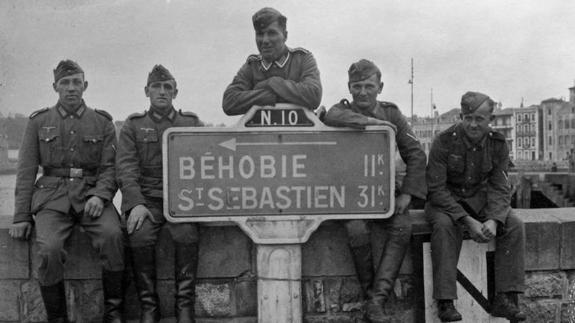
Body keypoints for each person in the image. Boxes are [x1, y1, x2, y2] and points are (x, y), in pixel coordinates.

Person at [9, 60, 125, 323]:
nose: (71, 88)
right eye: (65, 83)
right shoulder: (39, 122)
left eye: (76, 82)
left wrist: (101, 195)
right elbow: (26, 171)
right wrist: (21, 217)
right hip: (52, 199)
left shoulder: (103, 122)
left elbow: (110, 168)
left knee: (113, 236)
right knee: (48, 249)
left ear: (85, 85)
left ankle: (114, 313)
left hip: (91, 196)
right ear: (55, 87)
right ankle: (58, 318)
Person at [322, 59, 427, 322]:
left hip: (384, 194)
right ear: (349, 87)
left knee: (402, 227)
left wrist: (407, 194)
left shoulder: (392, 114)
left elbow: (416, 154)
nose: (362, 92)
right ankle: (373, 298)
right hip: (350, 195)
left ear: (380, 87)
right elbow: (331, 116)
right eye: (356, 86)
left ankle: (376, 300)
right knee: (355, 229)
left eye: (369, 86)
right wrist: (370, 123)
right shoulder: (341, 111)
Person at [426, 91, 526, 322]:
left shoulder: (497, 143)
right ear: (461, 116)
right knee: (443, 226)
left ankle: (506, 298)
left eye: (479, 119)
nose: (472, 124)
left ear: (489, 119)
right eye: (467, 117)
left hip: (479, 201)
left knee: (514, 224)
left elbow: (500, 185)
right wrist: (467, 220)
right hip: (445, 202)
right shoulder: (443, 141)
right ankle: (445, 301)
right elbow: (436, 189)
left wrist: (494, 219)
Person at [117, 65, 203, 323]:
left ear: (176, 92)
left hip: (182, 200)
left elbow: (204, 165)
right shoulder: (133, 126)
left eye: (168, 87)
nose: (162, 92)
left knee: (188, 233)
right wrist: (136, 204)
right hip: (148, 201)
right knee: (139, 235)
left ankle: (184, 306)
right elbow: (126, 169)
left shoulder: (190, 123)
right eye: (156, 87)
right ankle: (148, 306)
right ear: (147, 91)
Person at [222, 7, 322, 115]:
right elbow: (229, 102)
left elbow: (314, 95)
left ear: (285, 36)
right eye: (260, 34)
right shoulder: (252, 65)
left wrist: (271, 83)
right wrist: (273, 96)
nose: (265, 40)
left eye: (272, 33)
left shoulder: (302, 58)